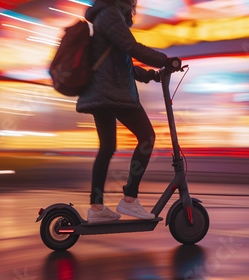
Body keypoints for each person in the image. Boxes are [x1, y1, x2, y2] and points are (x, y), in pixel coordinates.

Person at [76, 0, 181, 223]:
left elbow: (120, 61)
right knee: (147, 137)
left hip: (101, 92)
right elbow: (131, 48)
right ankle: (130, 199)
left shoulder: (105, 16)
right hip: (112, 92)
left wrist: (150, 75)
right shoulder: (110, 14)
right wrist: (165, 61)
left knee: (107, 148)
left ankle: (96, 208)